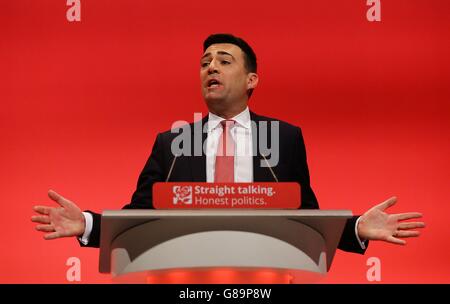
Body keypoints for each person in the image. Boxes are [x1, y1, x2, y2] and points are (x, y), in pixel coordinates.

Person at [32, 33, 425, 253]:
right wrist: (85, 222)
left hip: (262, 280)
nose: (211, 68)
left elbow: (306, 218)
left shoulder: (284, 139)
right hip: (186, 281)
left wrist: (356, 227)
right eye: (204, 63)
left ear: (251, 80)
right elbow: (137, 219)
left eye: (223, 60)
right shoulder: (172, 143)